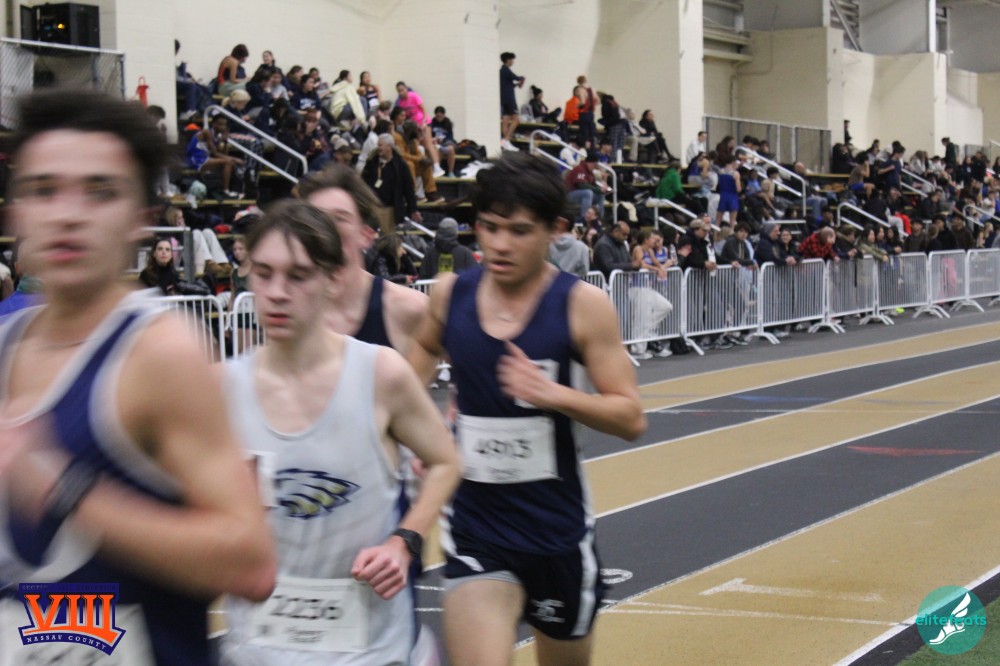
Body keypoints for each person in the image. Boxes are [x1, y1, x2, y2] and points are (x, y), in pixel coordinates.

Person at [0, 88, 275, 665]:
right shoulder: (6, 344)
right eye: (44, 189)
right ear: (17, 210)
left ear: (139, 220)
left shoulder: (161, 355)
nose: (68, 213)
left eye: (100, 191)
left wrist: (64, 491)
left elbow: (249, 564)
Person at [406, 152, 645, 666]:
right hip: (476, 528)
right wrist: (424, 428)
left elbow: (631, 418)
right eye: (489, 228)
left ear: (554, 230)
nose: (499, 244)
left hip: (556, 531)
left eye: (518, 231)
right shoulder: (451, 295)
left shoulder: (583, 306)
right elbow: (421, 353)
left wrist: (552, 393)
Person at [219, 199, 459, 666]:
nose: (277, 292)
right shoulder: (220, 388)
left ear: (332, 279)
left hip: (368, 650)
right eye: (264, 274)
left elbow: (447, 460)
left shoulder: (380, 374)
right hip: (256, 650)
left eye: (298, 276)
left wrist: (404, 541)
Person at [301, 164, 429, 355]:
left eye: (339, 218)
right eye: (316, 219)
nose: (325, 229)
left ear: (366, 235)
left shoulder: (409, 308)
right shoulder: (291, 310)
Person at [362, 133, 421, 230]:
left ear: (389, 146)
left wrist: (413, 209)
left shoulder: (401, 165)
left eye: (380, 145)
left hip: (390, 210)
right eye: (378, 145)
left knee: (387, 237)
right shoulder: (371, 162)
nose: (378, 148)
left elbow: (409, 189)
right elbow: (363, 183)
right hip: (372, 208)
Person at [499, 52, 526, 151]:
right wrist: (522, 78)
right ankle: (506, 139)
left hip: (503, 99)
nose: (512, 61)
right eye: (511, 59)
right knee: (516, 119)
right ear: (508, 60)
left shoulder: (501, 71)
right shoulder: (506, 70)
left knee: (505, 120)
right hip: (510, 99)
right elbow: (517, 78)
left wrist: (516, 85)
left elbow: (508, 84)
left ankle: (505, 142)